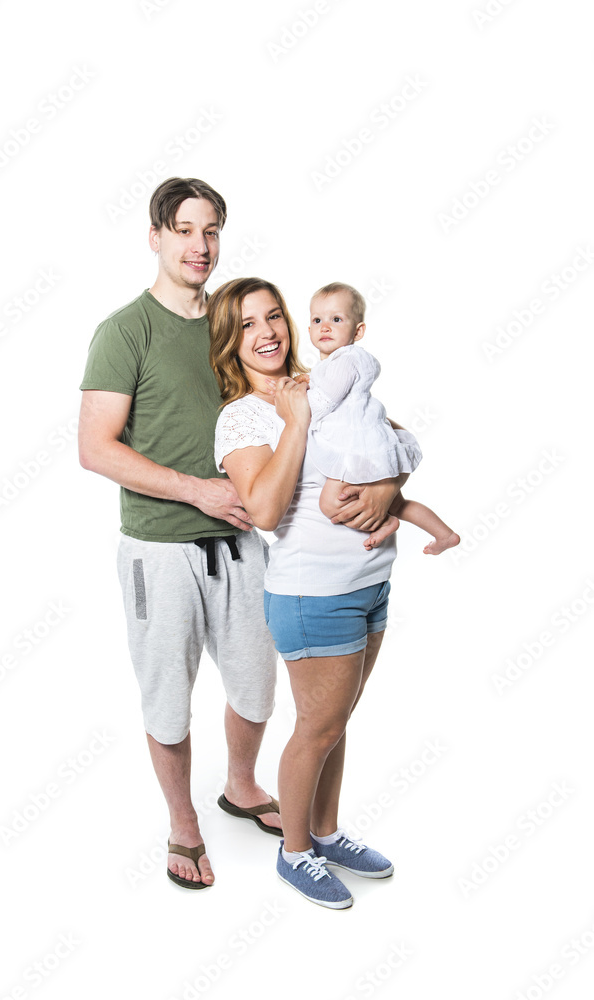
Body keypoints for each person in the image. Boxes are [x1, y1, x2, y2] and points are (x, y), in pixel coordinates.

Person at [78, 178, 282, 892]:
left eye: (212, 230)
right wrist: (197, 489)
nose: (201, 245)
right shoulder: (124, 330)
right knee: (167, 695)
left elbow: (283, 403)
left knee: (256, 688)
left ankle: (242, 786)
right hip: (159, 549)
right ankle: (183, 824)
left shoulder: (231, 325)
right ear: (157, 236)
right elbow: (95, 448)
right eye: (186, 229)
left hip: (242, 543)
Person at [209, 277, 409, 909]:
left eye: (273, 317)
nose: (266, 332)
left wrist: (386, 494)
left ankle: (325, 832)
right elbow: (265, 510)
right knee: (317, 728)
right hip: (311, 594)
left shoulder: (327, 382)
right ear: (228, 343)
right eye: (246, 325)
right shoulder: (240, 416)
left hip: (369, 583)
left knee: (335, 721)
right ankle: (295, 851)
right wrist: (294, 422)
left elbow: (396, 441)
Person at [304, 282, 459, 555]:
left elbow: (323, 402)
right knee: (398, 502)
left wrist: (295, 399)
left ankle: (384, 523)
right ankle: (444, 535)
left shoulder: (347, 359)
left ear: (358, 330)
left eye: (336, 319)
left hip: (355, 448)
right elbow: (328, 386)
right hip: (370, 444)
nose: (325, 326)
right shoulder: (336, 362)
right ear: (309, 329)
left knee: (330, 504)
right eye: (317, 320)